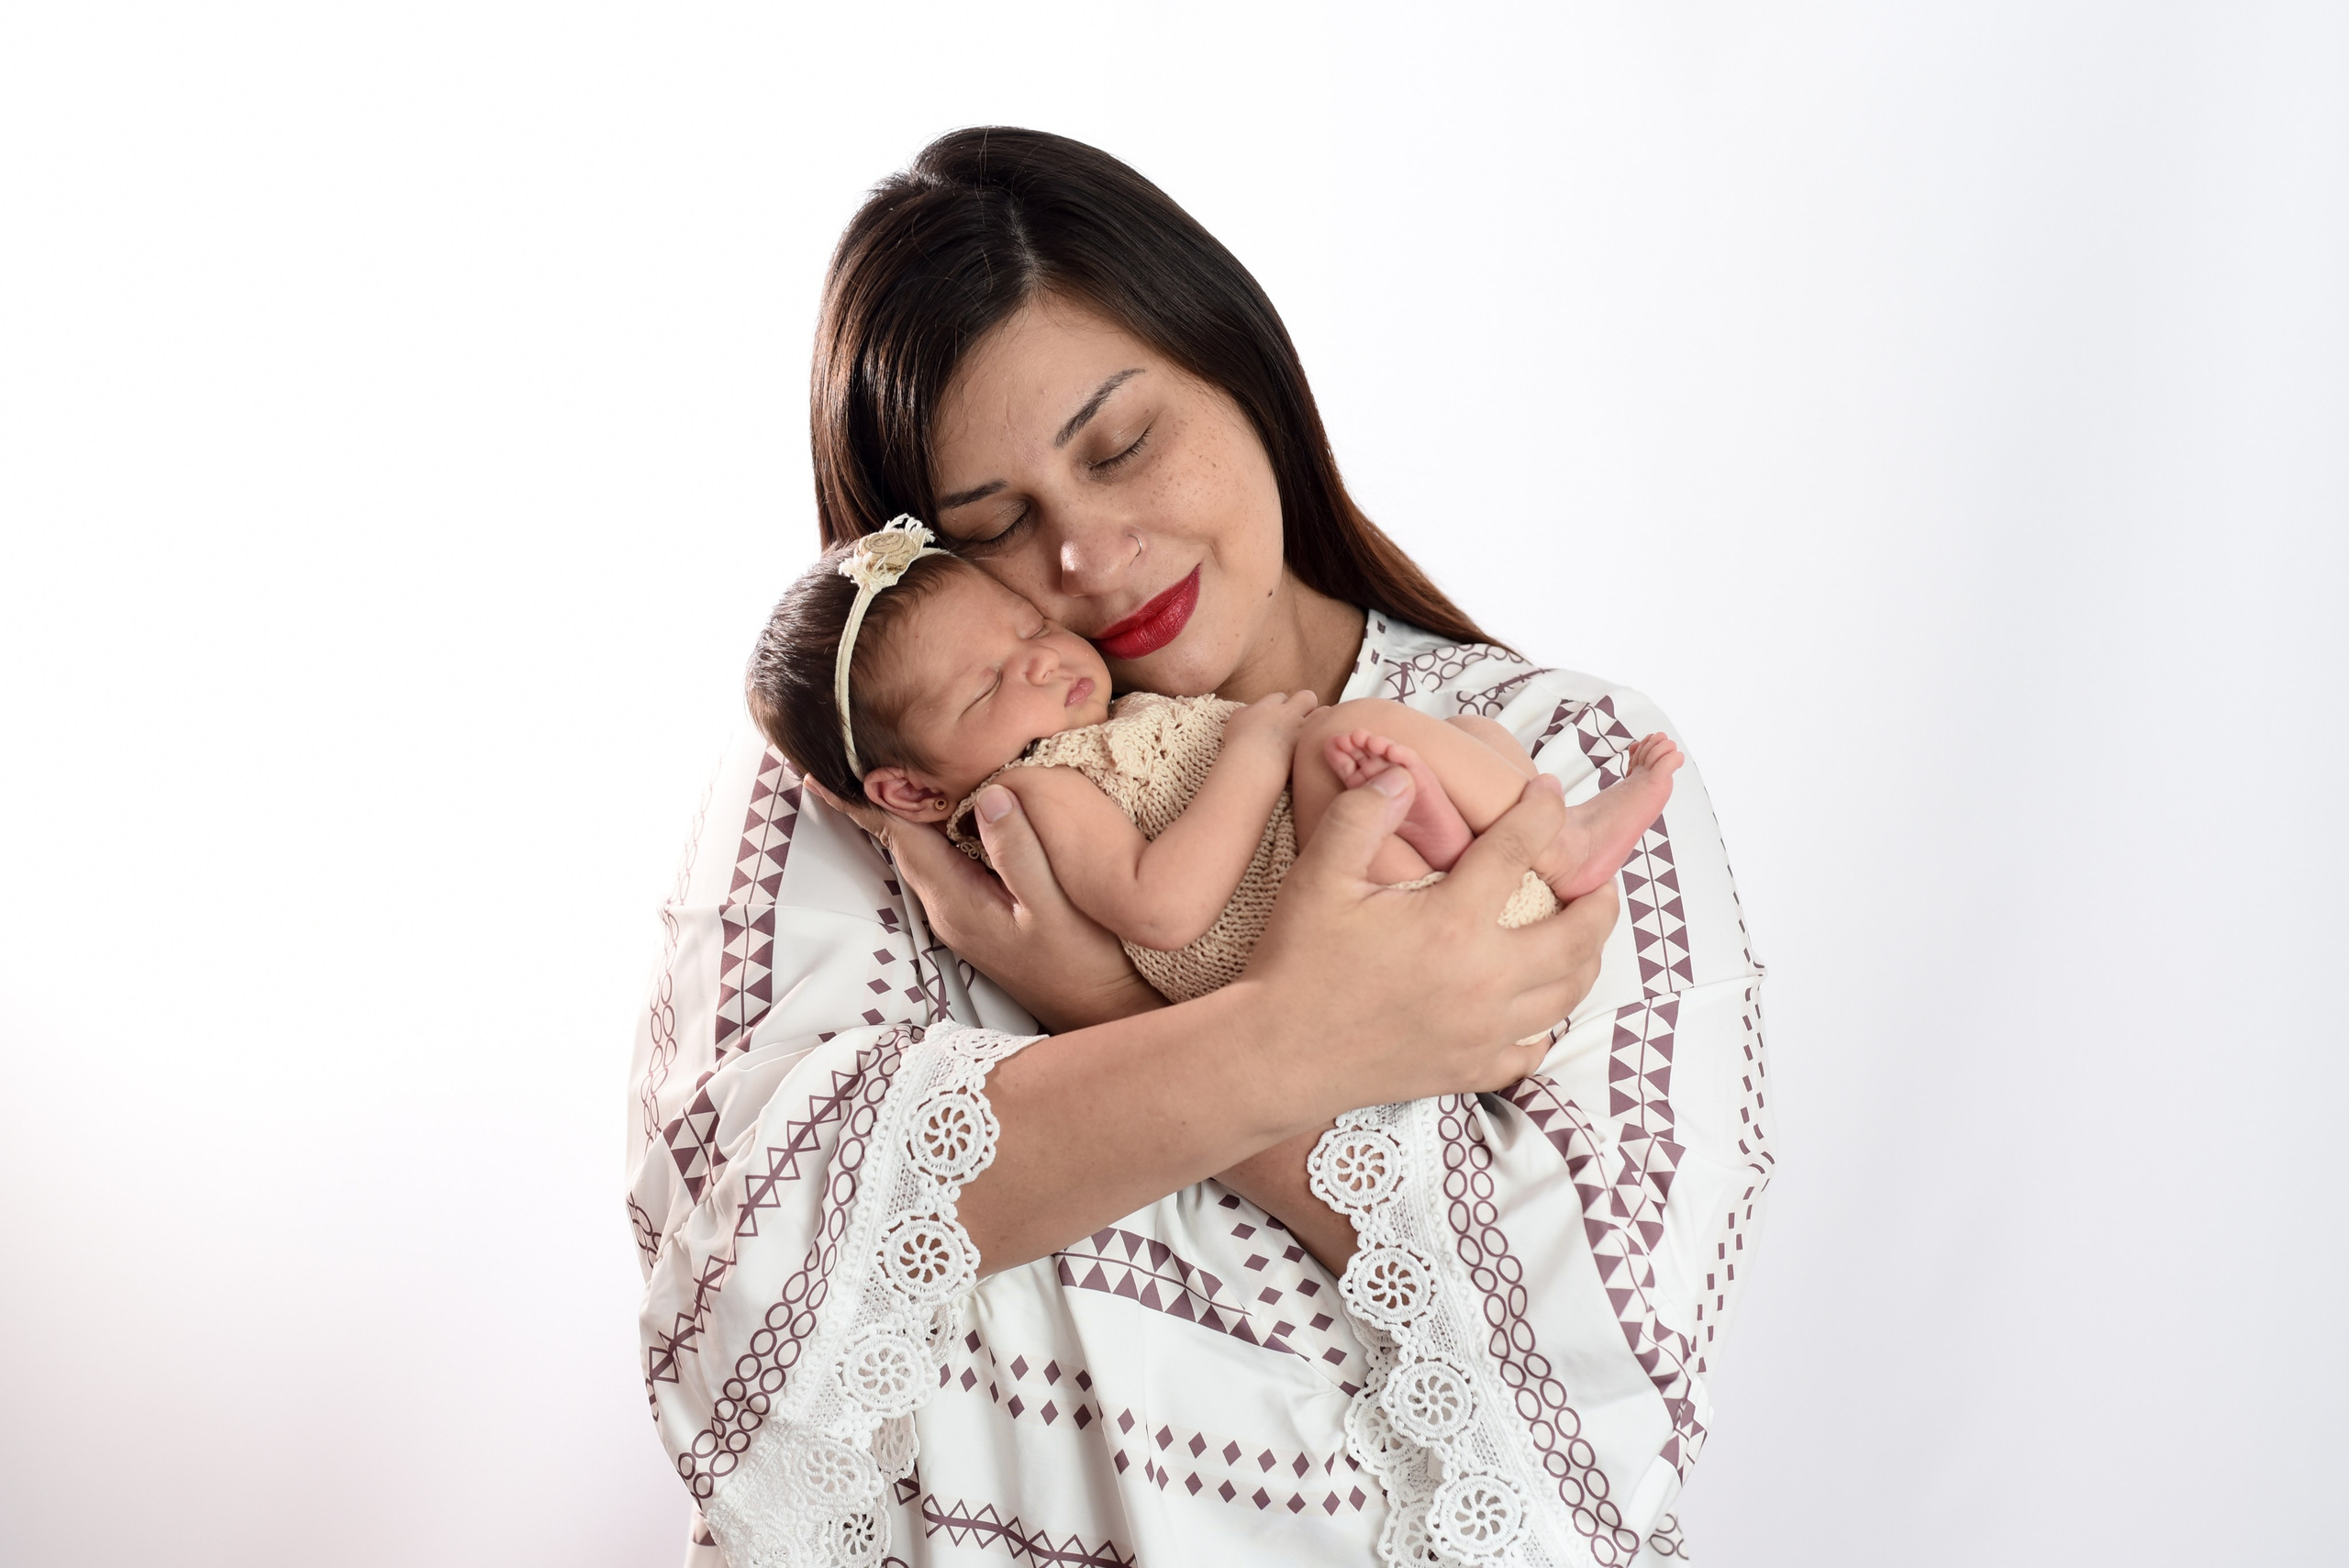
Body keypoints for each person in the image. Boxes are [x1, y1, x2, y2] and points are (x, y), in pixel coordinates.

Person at [629, 128, 1772, 1568]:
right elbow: (743, 1284)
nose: (1093, 560)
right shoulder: (872, 801)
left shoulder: (1561, 754)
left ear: (1245, 370)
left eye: (1125, 445)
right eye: (997, 527)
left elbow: (1592, 1371)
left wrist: (1100, 1008)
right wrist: (1305, 1042)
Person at [741, 521, 1685, 1006]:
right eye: (987, 685)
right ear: (911, 787)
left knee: (1459, 738)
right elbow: (1160, 904)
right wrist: (1255, 747)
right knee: (1336, 737)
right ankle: (1554, 846)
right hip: (1313, 935)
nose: (1039, 657)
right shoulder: (1030, 791)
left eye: (1028, 626)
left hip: (1415, 908)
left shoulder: (1113, 717)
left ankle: (1479, 826)